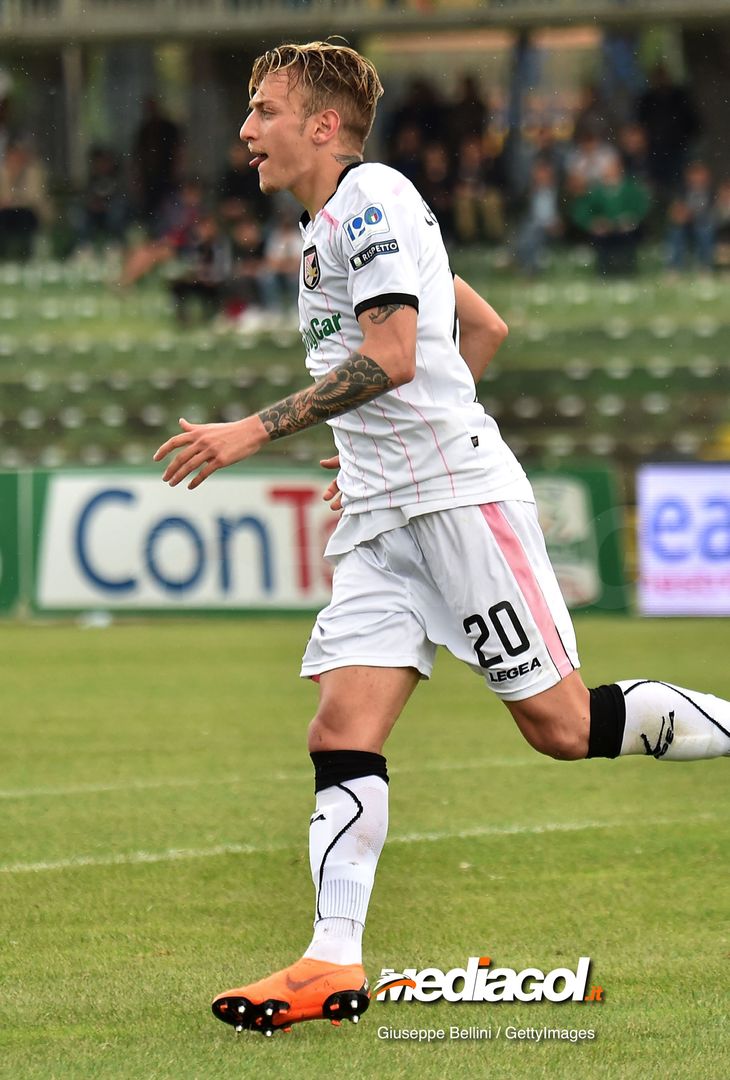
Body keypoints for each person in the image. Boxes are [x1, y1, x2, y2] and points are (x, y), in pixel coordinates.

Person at [154, 41, 730, 1038]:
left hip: (458, 507)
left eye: (263, 111)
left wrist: (256, 430)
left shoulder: (369, 200)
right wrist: (380, 448)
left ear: (321, 125)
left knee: (561, 729)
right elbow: (484, 328)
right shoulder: (330, 221)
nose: (245, 131)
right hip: (387, 513)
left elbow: (391, 353)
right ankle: (330, 962)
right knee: (339, 730)